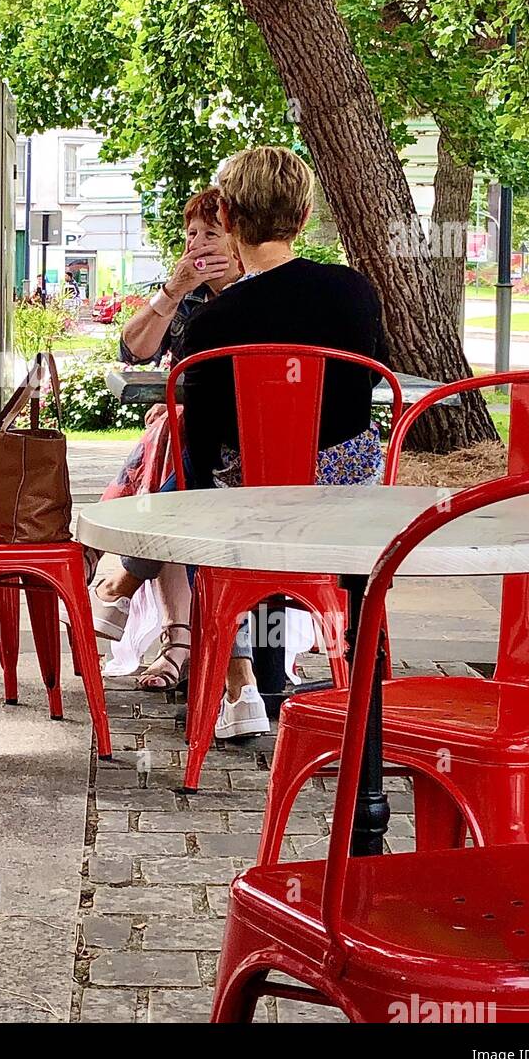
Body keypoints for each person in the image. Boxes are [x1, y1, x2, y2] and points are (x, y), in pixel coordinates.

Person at [133, 145, 389, 737]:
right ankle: (361, 692)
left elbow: (204, 443)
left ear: (227, 218)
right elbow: (367, 381)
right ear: (301, 218)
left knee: (195, 486)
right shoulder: (355, 293)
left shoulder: (214, 323)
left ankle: (237, 685)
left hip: (251, 510)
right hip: (350, 508)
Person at [72, 188, 238, 672]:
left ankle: (113, 577)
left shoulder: (259, 295)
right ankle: (177, 639)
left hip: (241, 448)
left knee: (173, 446)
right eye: (192, 235)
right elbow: (134, 351)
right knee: (172, 443)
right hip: (191, 439)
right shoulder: (186, 300)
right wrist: (174, 291)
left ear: (240, 238)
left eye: (213, 233)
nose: (200, 245)